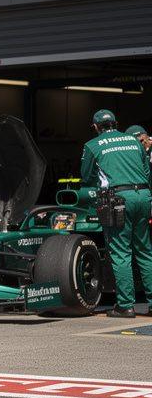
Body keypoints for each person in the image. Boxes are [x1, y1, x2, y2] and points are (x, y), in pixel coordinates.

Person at [81, 110, 152, 318]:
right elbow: (147, 172)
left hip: (118, 200)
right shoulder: (134, 142)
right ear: (116, 123)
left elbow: (86, 177)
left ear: (95, 127)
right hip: (143, 196)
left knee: (121, 252)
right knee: (145, 250)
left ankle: (125, 305)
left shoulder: (92, 145)